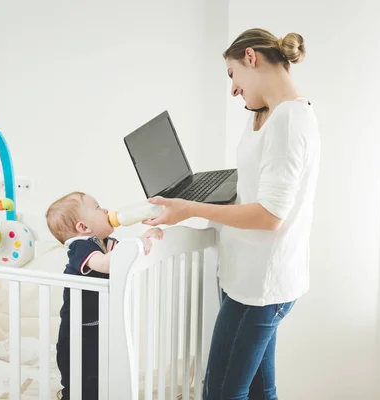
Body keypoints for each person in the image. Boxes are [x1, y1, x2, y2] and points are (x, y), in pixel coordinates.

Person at [144, 28, 320, 400]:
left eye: (232, 75)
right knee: (258, 389)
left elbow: (271, 216)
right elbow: (258, 182)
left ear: (251, 58)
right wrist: (214, 193)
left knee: (222, 393)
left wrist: (189, 207)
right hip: (248, 276)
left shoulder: (289, 120)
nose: (233, 89)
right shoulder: (265, 113)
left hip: (262, 286)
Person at [46, 191, 163, 399]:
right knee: (79, 381)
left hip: (96, 328)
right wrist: (137, 245)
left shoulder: (103, 242)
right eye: (98, 207)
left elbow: (123, 255)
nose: (107, 210)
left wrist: (141, 239)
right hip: (77, 334)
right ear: (83, 227)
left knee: (99, 377)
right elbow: (105, 264)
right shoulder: (79, 246)